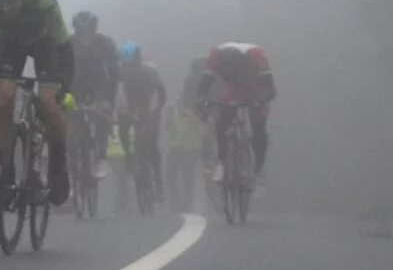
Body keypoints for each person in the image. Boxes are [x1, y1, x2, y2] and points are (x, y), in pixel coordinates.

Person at [0, 0, 75, 207]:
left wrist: (65, 85)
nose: (6, 6)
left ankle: (58, 165)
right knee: (3, 100)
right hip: (10, 46)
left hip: (46, 46)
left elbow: (64, 47)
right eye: (1, 0)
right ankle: (7, 171)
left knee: (48, 103)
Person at [186, 40, 277, 177]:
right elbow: (205, 84)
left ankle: (259, 165)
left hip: (254, 85)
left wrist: (261, 101)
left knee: (258, 123)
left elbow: (270, 88)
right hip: (231, 89)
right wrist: (202, 99)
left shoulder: (257, 56)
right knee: (221, 123)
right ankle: (222, 162)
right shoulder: (215, 56)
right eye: (226, 68)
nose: (230, 70)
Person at [69, 9, 121, 199]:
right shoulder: (68, 43)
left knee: (101, 120)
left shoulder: (106, 44)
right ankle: (73, 169)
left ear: (94, 28)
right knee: (70, 128)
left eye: (88, 30)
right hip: (74, 87)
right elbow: (60, 70)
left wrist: (108, 101)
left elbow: (114, 74)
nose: (85, 35)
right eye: (81, 31)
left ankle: (100, 157)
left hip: (100, 86)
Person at [115, 40, 168, 205]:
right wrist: (119, 110)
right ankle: (129, 157)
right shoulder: (119, 73)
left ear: (138, 61)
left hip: (149, 106)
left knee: (151, 142)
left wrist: (156, 110)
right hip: (130, 106)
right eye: (125, 66)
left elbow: (161, 92)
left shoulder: (150, 71)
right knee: (123, 128)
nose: (128, 69)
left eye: (131, 65)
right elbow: (115, 92)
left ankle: (158, 178)